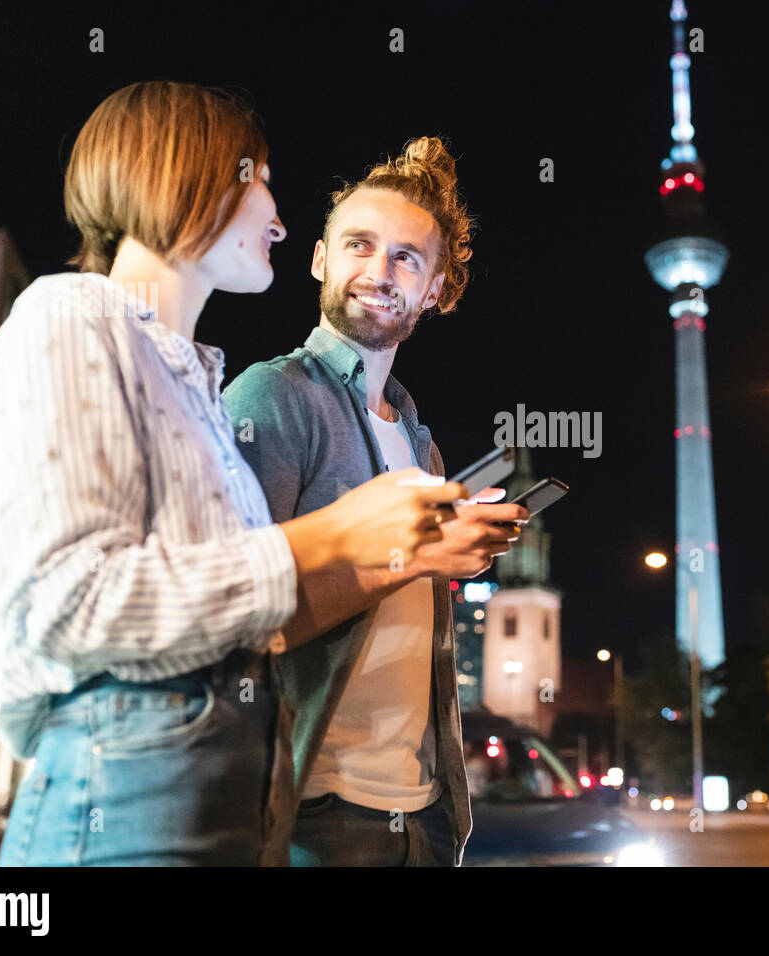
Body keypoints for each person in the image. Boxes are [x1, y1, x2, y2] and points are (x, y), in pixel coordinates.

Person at [0, 82, 464, 866]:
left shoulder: (194, 386)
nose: (279, 218)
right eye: (258, 183)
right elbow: (69, 601)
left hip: (216, 794)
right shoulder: (68, 322)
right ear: (184, 181)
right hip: (121, 792)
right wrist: (332, 541)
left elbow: (229, 620)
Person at [222, 136, 527, 866]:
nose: (378, 271)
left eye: (406, 258)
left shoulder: (423, 448)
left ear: (436, 290)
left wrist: (459, 552)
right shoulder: (272, 398)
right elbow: (231, 624)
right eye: (359, 245)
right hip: (318, 813)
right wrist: (407, 555)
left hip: (425, 812)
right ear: (321, 259)